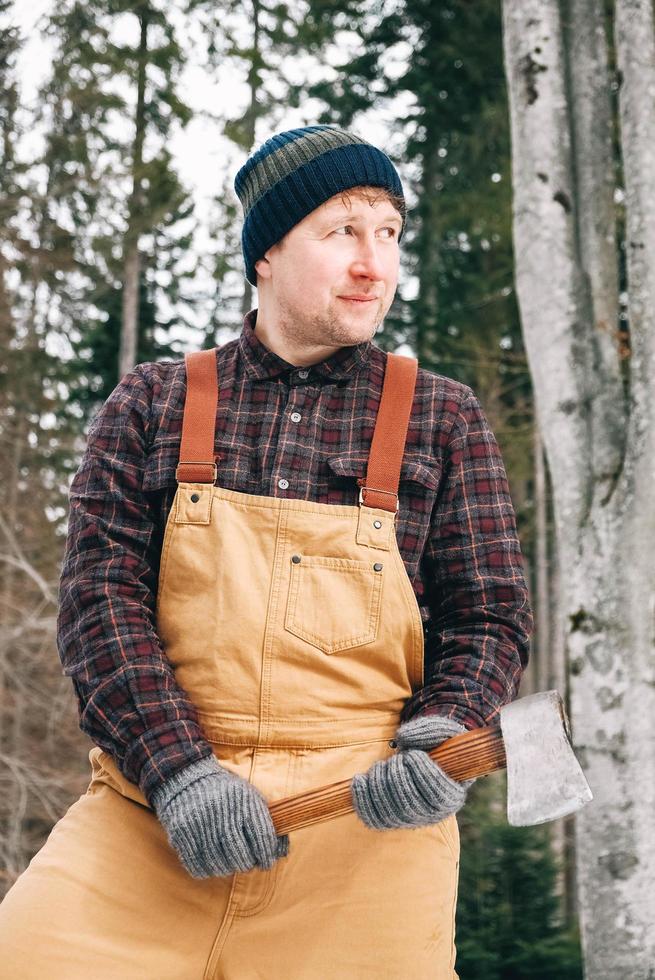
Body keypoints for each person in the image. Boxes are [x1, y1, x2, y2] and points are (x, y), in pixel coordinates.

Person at [0, 125, 533, 979]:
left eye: (388, 233)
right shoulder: (153, 402)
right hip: (153, 816)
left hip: (361, 834)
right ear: (266, 256)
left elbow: (489, 615)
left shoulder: (442, 415)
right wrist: (178, 773)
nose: (374, 263)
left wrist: (443, 737)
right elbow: (99, 606)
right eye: (341, 233)